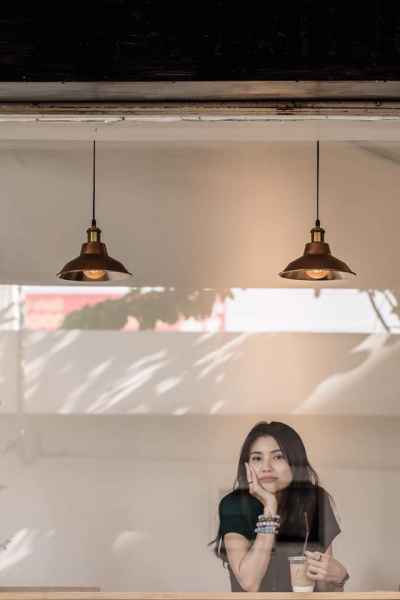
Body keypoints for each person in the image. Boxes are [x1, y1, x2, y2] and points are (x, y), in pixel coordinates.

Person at [210, 421, 349, 592]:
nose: (266, 467)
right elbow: (249, 582)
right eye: (257, 458)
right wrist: (270, 508)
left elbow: (323, 589)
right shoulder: (234, 505)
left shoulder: (315, 501)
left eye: (278, 457)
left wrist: (339, 577)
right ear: (247, 465)